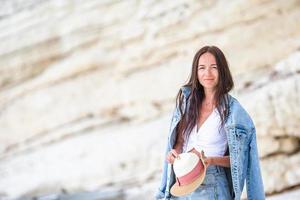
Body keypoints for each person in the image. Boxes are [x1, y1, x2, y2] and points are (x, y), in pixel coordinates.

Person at [156, 46, 265, 200]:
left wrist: (211, 160)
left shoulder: (233, 111)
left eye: (214, 67)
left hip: (213, 184)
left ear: (222, 71)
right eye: (202, 68)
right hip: (183, 182)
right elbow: (180, 141)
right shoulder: (187, 104)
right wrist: (174, 153)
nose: (207, 73)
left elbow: (240, 160)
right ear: (196, 72)